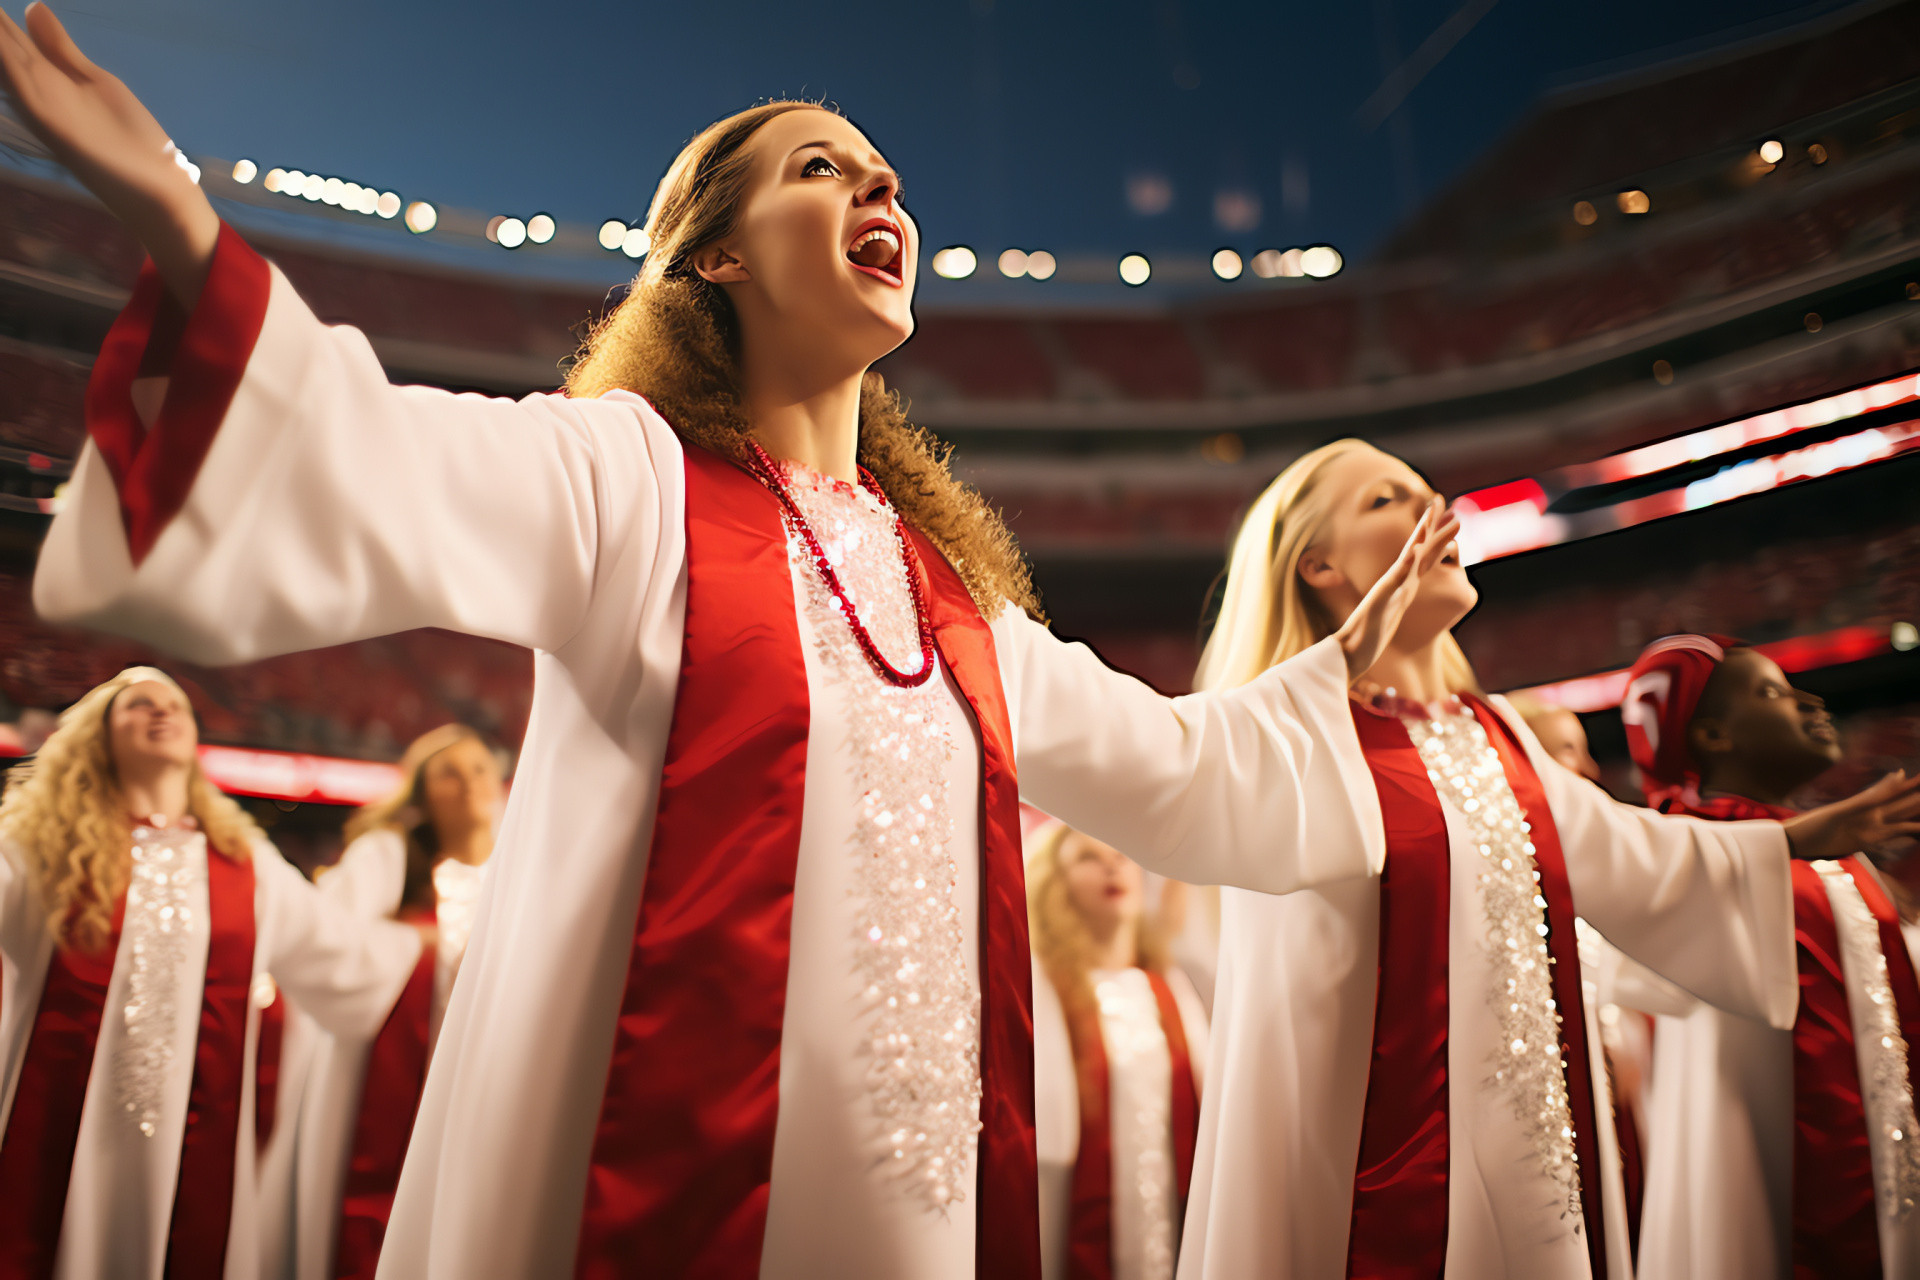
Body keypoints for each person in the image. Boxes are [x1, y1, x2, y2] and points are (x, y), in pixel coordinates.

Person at [0, 11, 1460, 1276]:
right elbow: (373, 454)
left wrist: (1351, 665)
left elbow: (1184, 769)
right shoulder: (632, 480)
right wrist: (182, 225)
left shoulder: (953, 599)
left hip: (922, 1201)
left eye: (882, 165)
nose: (879, 178)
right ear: (714, 261)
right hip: (667, 1179)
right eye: (819, 166)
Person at [1180, 439, 1920, 1279]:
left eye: (1431, 490)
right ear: (1316, 564)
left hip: (1530, 1128)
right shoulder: (1284, 735)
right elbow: (1168, 754)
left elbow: (1628, 850)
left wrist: (1790, 839)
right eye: (1387, 500)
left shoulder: (1497, 735)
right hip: (1373, 1151)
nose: (1436, 510)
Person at [0, 668, 422, 1279]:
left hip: (201, 1141)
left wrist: (437, 948)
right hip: (53, 1127)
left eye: (176, 705)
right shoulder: (39, 842)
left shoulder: (244, 863)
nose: (161, 711)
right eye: (138, 704)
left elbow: (347, 959)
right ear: (97, 733)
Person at [1619, 634, 1920, 1280]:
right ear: (1714, 737)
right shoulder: (1689, 854)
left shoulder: (1831, 848)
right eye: (1774, 692)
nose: (1812, 701)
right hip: (1767, 1156)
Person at [260, 725, 503, 1280]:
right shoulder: (389, 858)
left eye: (479, 769)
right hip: (386, 1074)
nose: (467, 782)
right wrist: (414, 943)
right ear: (421, 792)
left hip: (484, 1072)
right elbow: (325, 940)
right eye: (449, 771)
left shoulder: (523, 872)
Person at [1027, 823, 1209, 1280]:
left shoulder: (1167, 985)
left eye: (1122, 854)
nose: (1112, 865)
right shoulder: (1043, 992)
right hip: (1071, 1210)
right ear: (1055, 883)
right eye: (1088, 858)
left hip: (1170, 1208)